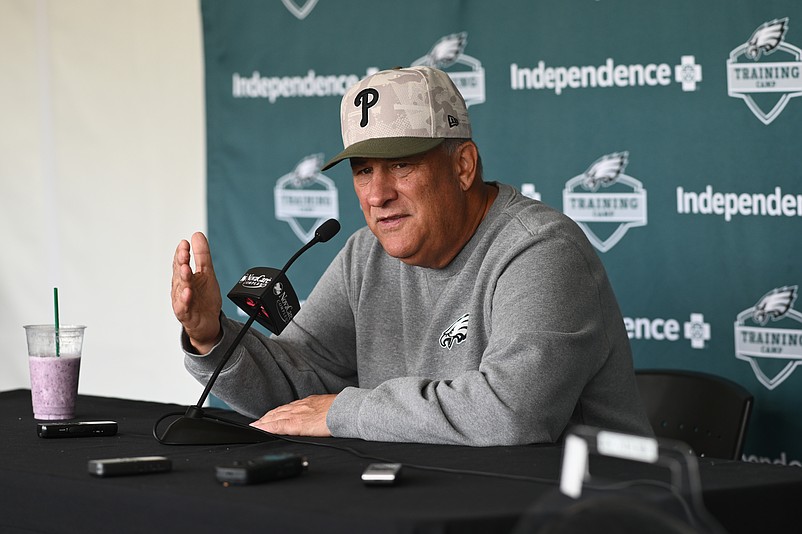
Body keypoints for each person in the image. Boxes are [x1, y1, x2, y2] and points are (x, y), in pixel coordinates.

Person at [172, 66, 652, 445]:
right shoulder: (366, 255)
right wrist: (209, 333)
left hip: (585, 509)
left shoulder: (541, 250)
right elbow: (294, 388)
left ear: (462, 166)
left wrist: (345, 411)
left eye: (402, 164)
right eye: (363, 171)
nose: (378, 194)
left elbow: (514, 413)